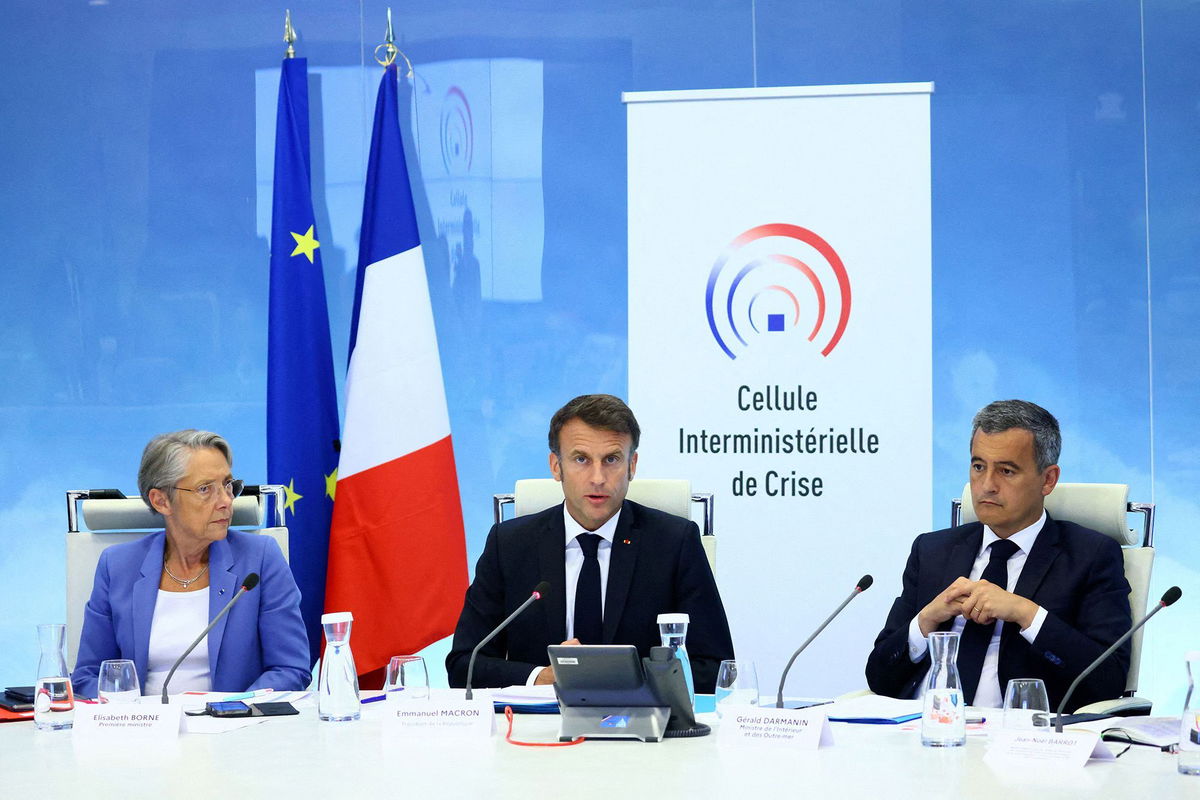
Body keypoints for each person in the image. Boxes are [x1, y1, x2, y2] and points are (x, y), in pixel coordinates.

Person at [446, 394, 734, 692]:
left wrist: (618, 677)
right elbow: (464, 664)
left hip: (641, 727)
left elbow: (716, 668)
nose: (598, 478)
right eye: (581, 459)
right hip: (534, 729)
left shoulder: (674, 543)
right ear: (556, 466)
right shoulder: (509, 545)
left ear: (632, 466)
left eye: (611, 459)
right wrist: (539, 678)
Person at [865, 400, 1132, 712]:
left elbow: (1107, 679)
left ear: (1048, 479)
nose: (987, 486)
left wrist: (1025, 612)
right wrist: (926, 620)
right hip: (921, 731)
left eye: (1006, 471)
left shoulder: (1091, 556)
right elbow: (879, 676)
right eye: (979, 467)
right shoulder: (932, 551)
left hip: (1020, 742)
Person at [72, 430, 310, 698]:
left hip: (236, 728)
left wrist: (232, 707)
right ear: (161, 501)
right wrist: (135, 714)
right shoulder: (116, 566)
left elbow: (290, 668)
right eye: (205, 489)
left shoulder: (260, 559)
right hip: (142, 731)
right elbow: (88, 676)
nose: (226, 501)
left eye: (228, 485)